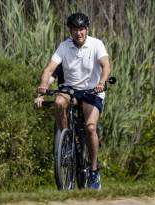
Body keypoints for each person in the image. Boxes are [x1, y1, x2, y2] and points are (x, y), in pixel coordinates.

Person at [37, 12, 111, 190]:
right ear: (70, 31)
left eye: (82, 29)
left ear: (87, 29)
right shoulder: (64, 46)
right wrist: (42, 88)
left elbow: (105, 65)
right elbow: (49, 70)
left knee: (90, 127)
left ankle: (93, 171)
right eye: (75, 30)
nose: (79, 33)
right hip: (70, 89)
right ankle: (66, 139)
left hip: (93, 90)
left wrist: (101, 82)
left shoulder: (96, 44)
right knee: (58, 102)